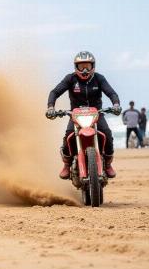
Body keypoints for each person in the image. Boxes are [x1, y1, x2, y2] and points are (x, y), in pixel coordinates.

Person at [46, 51, 121, 179]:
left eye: (87, 66)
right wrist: (51, 107)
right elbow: (55, 92)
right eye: (81, 66)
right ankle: (67, 164)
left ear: (93, 66)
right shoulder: (70, 78)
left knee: (107, 134)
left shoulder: (99, 78)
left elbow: (111, 93)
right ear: (76, 67)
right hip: (76, 116)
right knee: (68, 136)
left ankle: (108, 164)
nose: (85, 69)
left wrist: (116, 104)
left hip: (96, 114)